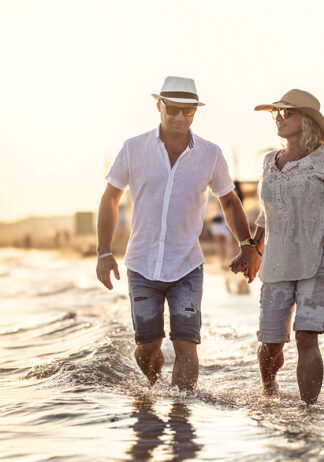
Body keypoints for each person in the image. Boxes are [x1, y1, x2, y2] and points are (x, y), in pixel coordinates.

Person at [96, 76, 261, 391]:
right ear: (159, 106)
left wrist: (247, 243)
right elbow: (110, 198)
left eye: (188, 111)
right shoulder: (133, 149)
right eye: (173, 109)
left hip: (187, 265)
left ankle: (181, 413)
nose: (180, 117)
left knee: (187, 344)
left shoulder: (210, 154)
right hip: (142, 265)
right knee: (147, 346)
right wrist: (104, 252)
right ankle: (155, 388)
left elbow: (228, 200)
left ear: (195, 112)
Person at [231, 89, 324, 404]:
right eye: (277, 113)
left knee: (306, 337)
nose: (280, 118)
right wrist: (253, 248)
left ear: (307, 120)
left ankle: (309, 411)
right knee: (270, 343)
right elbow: (265, 212)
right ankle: (269, 395)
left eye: (288, 112)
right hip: (276, 260)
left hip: (317, 257)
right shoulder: (269, 161)